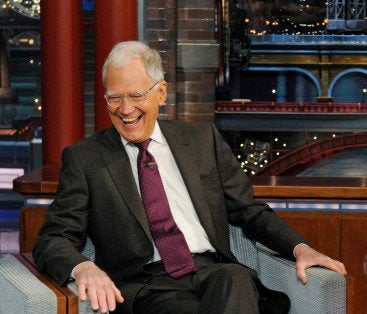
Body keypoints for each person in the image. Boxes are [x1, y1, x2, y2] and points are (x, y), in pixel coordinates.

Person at [33, 41, 346, 314]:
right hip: (148, 286)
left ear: (161, 93)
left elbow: (248, 211)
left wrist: (300, 248)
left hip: (212, 271)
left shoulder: (201, 141)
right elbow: (53, 238)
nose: (125, 109)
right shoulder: (86, 158)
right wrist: (82, 267)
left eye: (136, 95)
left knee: (236, 277)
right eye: (114, 97)